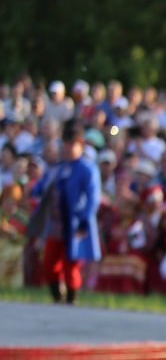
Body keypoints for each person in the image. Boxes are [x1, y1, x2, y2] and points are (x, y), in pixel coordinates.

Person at [28, 119, 102, 303]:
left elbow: (93, 197)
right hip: (55, 224)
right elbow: (42, 187)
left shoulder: (87, 169)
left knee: (72, 264)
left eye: (72, 144)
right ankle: (57, 298)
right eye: (65, 143)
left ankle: (71, 301)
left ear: (80, 144)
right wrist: (30, 189)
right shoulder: (57, 167)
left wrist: (85, 218)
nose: (68, 148)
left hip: (74, 223)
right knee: (49, 263)